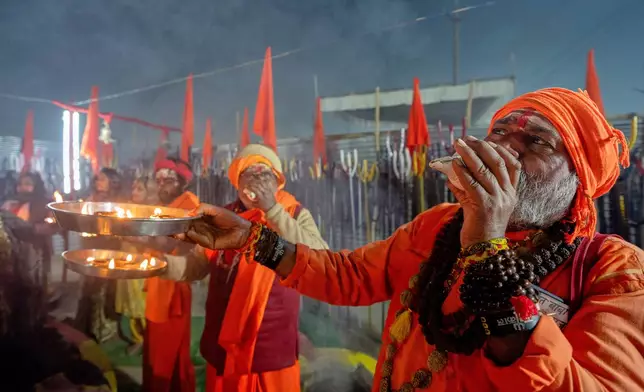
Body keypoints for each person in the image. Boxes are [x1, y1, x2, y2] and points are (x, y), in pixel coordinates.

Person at [178, 88, 644, 391]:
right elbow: (351, 276)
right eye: (498, 131)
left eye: (537, 142)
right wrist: (251, 239)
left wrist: (487, 246)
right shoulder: (439, 224)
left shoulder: (613, 270)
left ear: (577, 175)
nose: (506, 146)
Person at [164, 144, 328, 392]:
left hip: (271, 348)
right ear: (237, 181)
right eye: (248, 174)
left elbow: (321, 259)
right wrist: (158, 266)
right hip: (224, 344)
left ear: (277, 180)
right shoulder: (224, 216)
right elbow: (196, 265)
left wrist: (272, 210)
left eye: (264, 174)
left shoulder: (293, 213)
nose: (256, 180)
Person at [140, 157, 199, 392]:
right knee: (161, 350)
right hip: (158, 282)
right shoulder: (163, 206)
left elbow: (169, 243)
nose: (162, 184)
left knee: (166, 353)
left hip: (174, 288)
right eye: (158, 179)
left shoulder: (189, 203)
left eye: (169, 179)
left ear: (183, 183)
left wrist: (131, 232)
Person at [74, 167, 124, 342]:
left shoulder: (118, 202)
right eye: (97, 179)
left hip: (111, 247)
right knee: (89, 287)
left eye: (102, 179)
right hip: (91, 246)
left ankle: (105, 326)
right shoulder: (90, 200)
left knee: (107, 287)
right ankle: (88, 326)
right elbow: (82, 221)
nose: (98, 183)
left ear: (113, 182)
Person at [115, 175, 155, 355]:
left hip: (142, 263)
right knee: (130, 303)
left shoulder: (152, 212)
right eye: (133, 188)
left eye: (140, 189)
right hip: (126, 260)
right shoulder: (127, 209)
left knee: (141, 305)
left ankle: (147, 339)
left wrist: (129, 236)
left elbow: (152, 240)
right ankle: (138, 338)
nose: (134, 192)